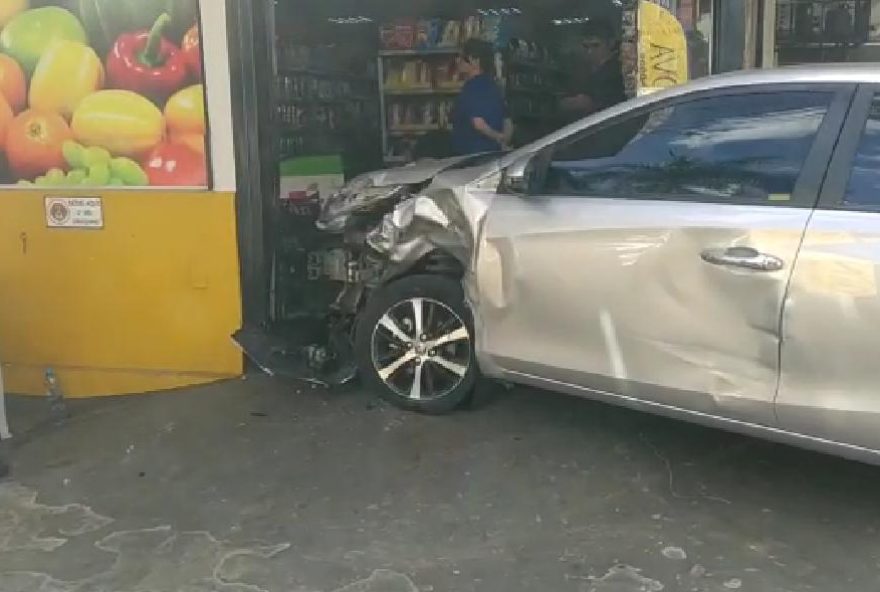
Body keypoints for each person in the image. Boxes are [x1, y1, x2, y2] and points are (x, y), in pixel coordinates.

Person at [452, 38, 513, 155]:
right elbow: (507, 119)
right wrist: (505, 139)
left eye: (461, 57)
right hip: (493, 154)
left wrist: (498, 137)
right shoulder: (494, 86)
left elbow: (478, 123)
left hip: (471, 156)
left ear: (475, 61)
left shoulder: (472, 88)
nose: (457, 61)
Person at [559, 20, 626, 122]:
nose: (590, 52)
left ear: (610, 43)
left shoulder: (619, 72)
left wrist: (589, 103)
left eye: (596, 46)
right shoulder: (581, 70)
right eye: (585, 46)